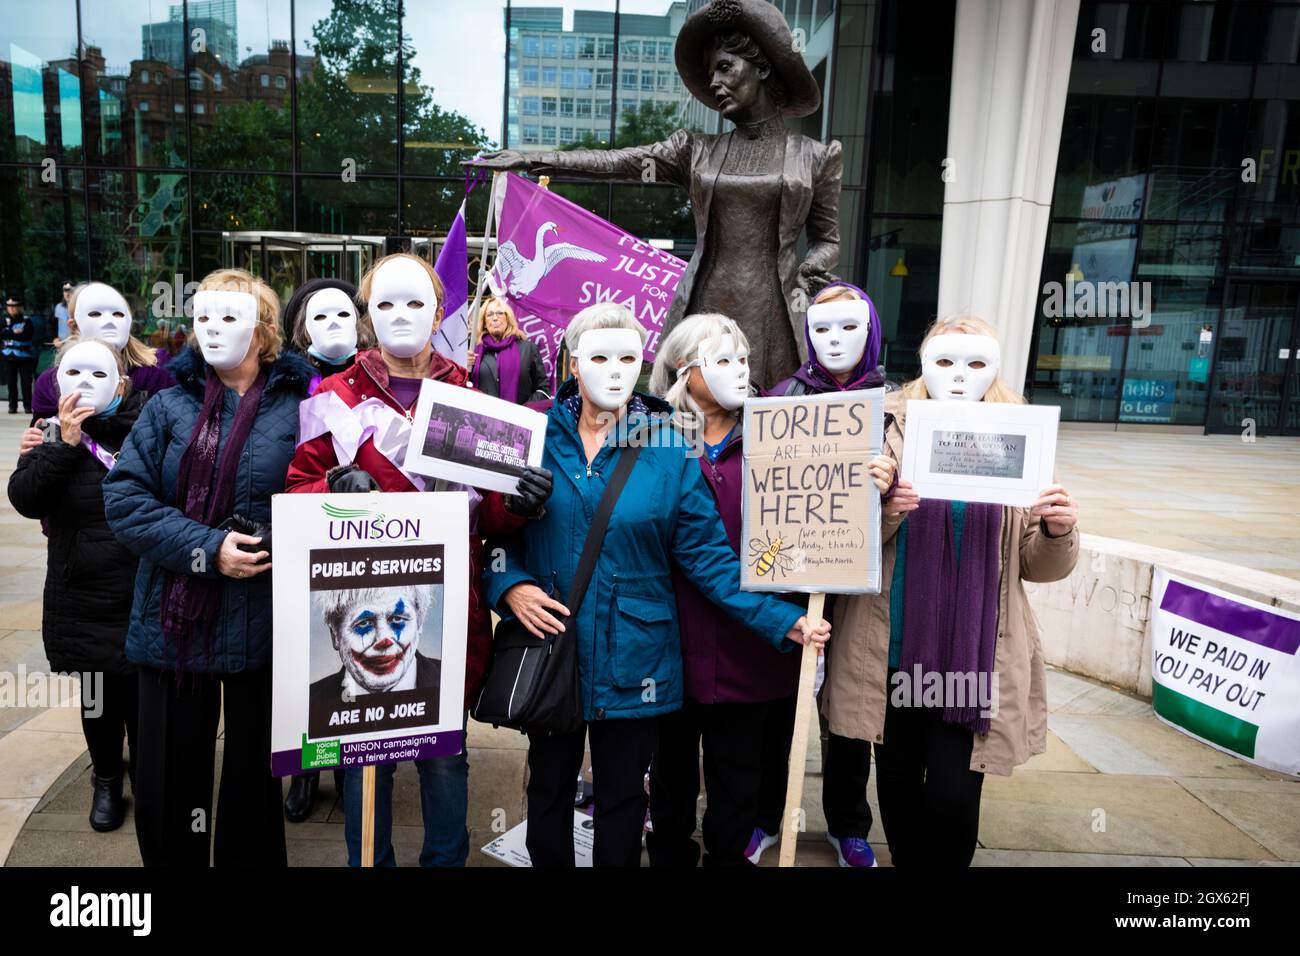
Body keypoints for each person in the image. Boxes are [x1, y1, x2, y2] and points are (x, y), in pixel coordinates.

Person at [482, 301, 831, 868]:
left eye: (627, 356)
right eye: (599, 356)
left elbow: (709, 559)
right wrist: (511, 587)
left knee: (623, 799)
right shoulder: (531, 434)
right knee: (547, 791)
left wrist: (783, 619)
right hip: (554, 652)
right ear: (573, 363)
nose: (615, 369)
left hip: (635, 658)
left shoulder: (669, 446)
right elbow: (493, 534)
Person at [284, 252, 536, 868]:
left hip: (445, 612)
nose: (401, 316)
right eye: (386, 304)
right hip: (356, 612)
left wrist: (523, 502)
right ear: (368, 315)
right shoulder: (332, 396)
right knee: (363, 755)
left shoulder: (467, 395)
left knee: (444, 752)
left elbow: (494, 516)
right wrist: (331, 491)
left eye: (415, 302)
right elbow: (295, 493)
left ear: (439, 312)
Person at [472, 0, 842, 389]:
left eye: (725, 67)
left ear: (763, 67)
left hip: (777, 316)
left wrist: (810, 267)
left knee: (766, 412)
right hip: (704, 304)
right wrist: (533, 160)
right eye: (710, 72)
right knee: (693, 409)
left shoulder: (816, 158)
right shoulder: (695, 150)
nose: (715, 82)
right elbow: (617, 162)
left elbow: (827, 241)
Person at [826, 315, 1080, 867]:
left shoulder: (1021, 435)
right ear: (922, 363)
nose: (960, 376)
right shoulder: (881, 424)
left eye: (975, 363)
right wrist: (884, 509)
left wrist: (1058, 530)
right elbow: (845, 541)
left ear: (996, 367)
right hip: (895, 643)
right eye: (944, 361)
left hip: (973, 652)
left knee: (953, 794)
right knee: (895, 781)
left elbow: (1033, 565)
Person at [102, 268, 314, 867]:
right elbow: (125, 499)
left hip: (263, 618)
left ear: (264, 329)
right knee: (171, 776)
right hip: (173, 620)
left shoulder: (305, 406)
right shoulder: (167, 405)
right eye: (203, 317)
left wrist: (274, 537)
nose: (213, 329)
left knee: (253, 777)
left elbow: (320, 494)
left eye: (230, 316)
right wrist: (207, 548)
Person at [7, 339, 145, 832]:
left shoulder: (149, 426)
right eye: (73, 373)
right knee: (98, 700)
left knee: (141, 699)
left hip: (138, 590)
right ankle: (107, 779)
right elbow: (25, 498)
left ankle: (147, 779)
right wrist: (62, 444)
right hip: (81, 594)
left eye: (97, 374)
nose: (84, 385)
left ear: (122, 384)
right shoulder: (47, 435)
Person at [29, 282, 174, 426]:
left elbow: (173, 428)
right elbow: (43, 432)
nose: (108, 321)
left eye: (117, 313)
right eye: (95, 314)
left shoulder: (156, 368)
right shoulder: (51, 382)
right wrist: (45, 439)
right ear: (74, 326)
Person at [282, 277, 370, 385]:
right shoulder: (290, 383)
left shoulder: (378, 376)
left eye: (343, 314)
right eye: (320, 317)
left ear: (356, 325)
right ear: (306, 332)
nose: (333, 323)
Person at [470, 295, 549, 404]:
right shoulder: (474, 353)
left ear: (508, 318)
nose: (495, 318)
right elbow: (465, 387)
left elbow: (543, 390)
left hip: (519, 419)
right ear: (484, 323)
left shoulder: (529, 349)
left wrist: (523, 410)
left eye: (500, 313)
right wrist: (466, 367)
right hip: (482, 419)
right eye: (489, 314)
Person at [3, 293, 36, 415]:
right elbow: (2, 335)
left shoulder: (27, 320)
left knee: (26, 383)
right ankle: (12, 406)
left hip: (24, 355)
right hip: (9, 354)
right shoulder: (4, 320)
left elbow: (26, 335)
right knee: (11, 383)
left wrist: (8, 332)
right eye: (9, 306)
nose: (11, 308)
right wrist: (13, 331)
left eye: (14, 306)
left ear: (20, 307)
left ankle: (28, 406)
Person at [52, 281, 72, 347]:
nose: (67, 293)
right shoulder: (58, 307)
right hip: (60, 345)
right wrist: (55, 338)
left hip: (74, 345)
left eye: (70, 290)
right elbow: (54, 325)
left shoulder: (79, 307)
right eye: (65, 290)